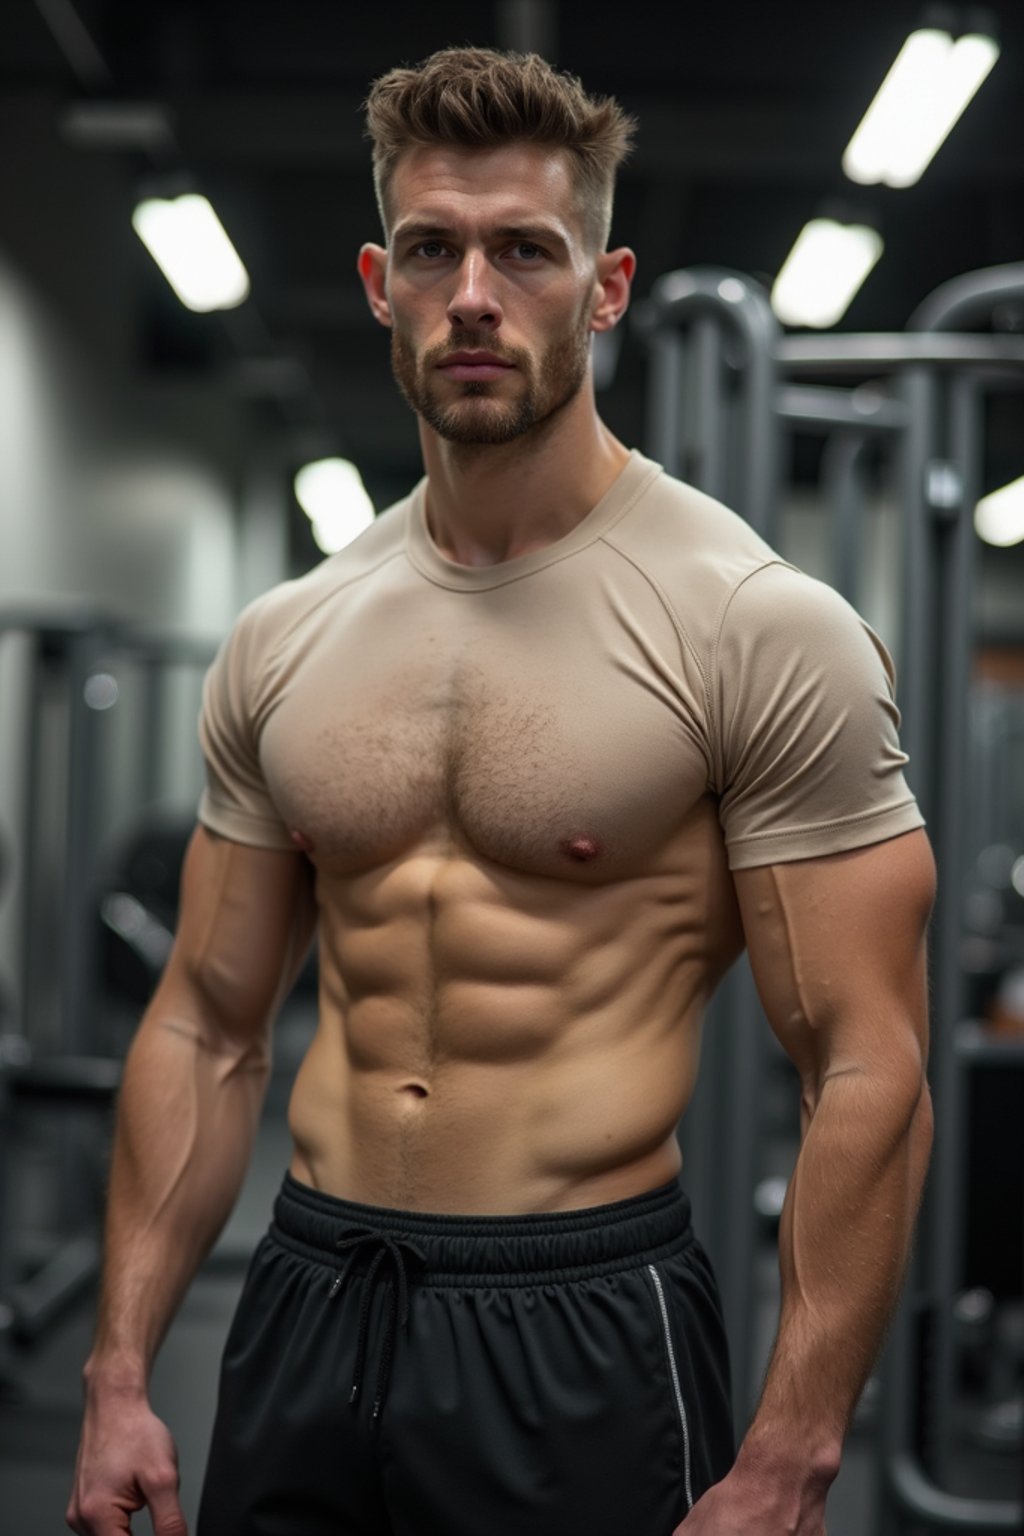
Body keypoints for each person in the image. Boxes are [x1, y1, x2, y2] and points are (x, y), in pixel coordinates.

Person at [67, 46, 935, 1536]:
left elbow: (867, 1062)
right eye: (432, 248)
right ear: (377, 280)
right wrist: (120, 1371)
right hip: (310, 1295)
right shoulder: (288, 636)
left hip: (582, 1320)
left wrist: (790, 1454)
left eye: (525, 249)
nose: (475, 292)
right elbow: (208, 1028)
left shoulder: (753, 623)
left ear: (603, 288)